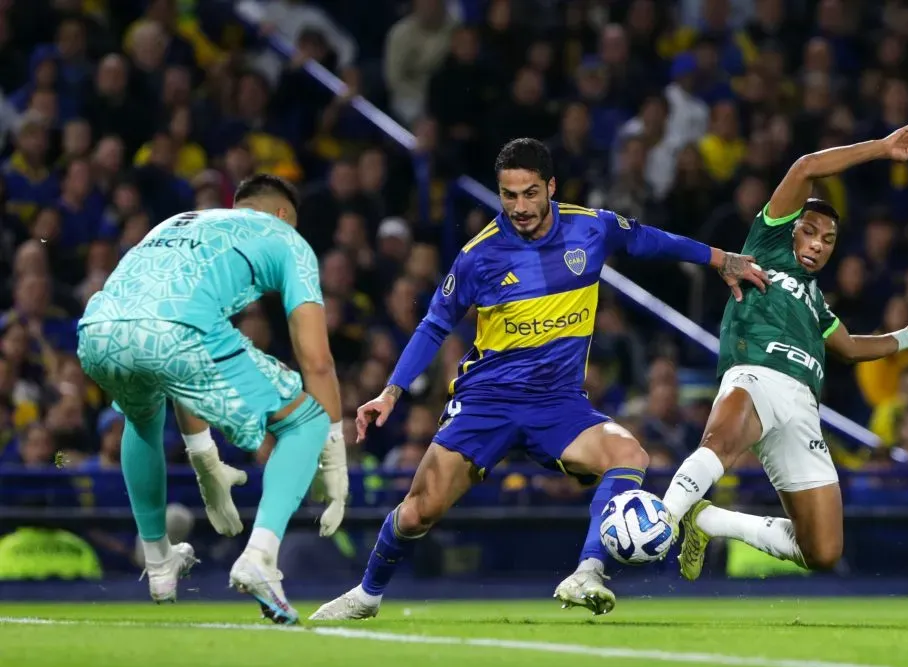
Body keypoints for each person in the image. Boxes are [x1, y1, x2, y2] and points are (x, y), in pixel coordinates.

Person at [310, 137, 769, 620]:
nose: (520, 207)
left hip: (558, 403)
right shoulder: (478, 256)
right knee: (419, 511)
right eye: (509, 195)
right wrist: (391, 391)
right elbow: (435, 324)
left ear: (551, 187)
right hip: (488, 400)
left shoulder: (591, 228)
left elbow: (650, 239)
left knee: (628, 453)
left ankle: (588, 571)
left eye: (530, 193)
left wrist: (721, 259)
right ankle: (367, 595)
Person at [659, 126, 908, 580]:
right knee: (720, 445)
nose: (816, 245)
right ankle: (661, 521)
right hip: (756, 375)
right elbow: (806, 165)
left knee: (822, 551)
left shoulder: (817, 304)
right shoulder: (765, 246)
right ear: (791, 230)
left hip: (804, 411)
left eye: (827, 241)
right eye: (809, 233)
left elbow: (847, 346)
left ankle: (707, 519)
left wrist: (903, 338)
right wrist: (882, 148)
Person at [76, 174, 349, 624]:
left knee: (142, 418)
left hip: (99, 330)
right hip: (177, 332)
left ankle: (159, 560)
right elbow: (316, 361)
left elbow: (175, 358)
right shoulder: (285, 237)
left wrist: (204, 457)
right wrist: (333, 454)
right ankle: (260, 556)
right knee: (305, 421)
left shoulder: (176, 224)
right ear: (283, 214)